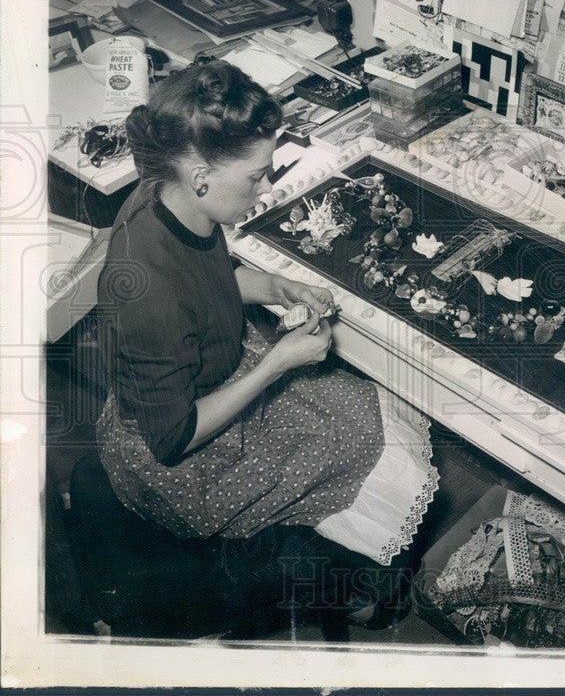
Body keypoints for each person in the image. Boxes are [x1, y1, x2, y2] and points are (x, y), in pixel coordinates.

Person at [95, 60, 438, 635]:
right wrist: (278, 362)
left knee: (364, 407)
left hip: (214, 370)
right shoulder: (143, 289)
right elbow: (173, 438)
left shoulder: (172, 197)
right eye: (256, 175)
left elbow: (205, 277)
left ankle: (352, 572)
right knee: (371, 451)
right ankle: (354, 586)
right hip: (183, 456)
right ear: (201, 174)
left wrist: (277, 286)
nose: (267, 185)